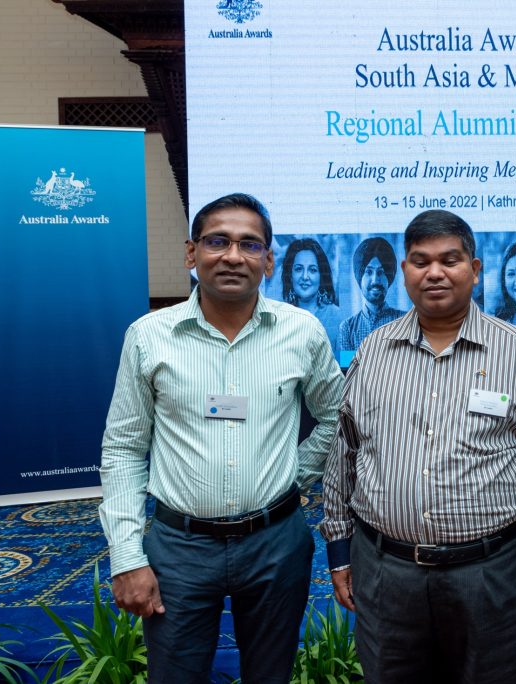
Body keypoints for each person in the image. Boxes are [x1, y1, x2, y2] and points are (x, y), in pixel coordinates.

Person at [99, 193, 344, 682]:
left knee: (270, 674)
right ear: (191, 254)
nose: (234, 256)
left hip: (277, 544)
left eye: (250, 245)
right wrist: (126, 557)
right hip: (180, 547)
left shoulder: (302, 331)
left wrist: (294, 473)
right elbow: (124, 448)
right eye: (218, 241)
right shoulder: (149, 336)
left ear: (269, 260)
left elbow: (338, 416)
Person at [322, 209, 516, 684]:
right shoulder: (372, 351)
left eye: (450, 260)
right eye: (420, 261)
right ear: (406, 273)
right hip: (386, 570)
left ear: (474, 271)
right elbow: (343, 453)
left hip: (491, 571)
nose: (434, 272)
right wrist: (339, 547)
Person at [336, 236, 405, 351]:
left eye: (381, 272)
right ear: (360, 277)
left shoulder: (405, 321)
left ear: (388, 277)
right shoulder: (348, 328)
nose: (375, 280)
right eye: (368, 272)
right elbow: (349, 368)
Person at [281, 237, 341, 349]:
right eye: (299, 269)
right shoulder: (279, 318)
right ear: (290, 275)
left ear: (321, 276)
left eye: (312, 270)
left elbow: (347, 361)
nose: (305, 277)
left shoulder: (338, 318)